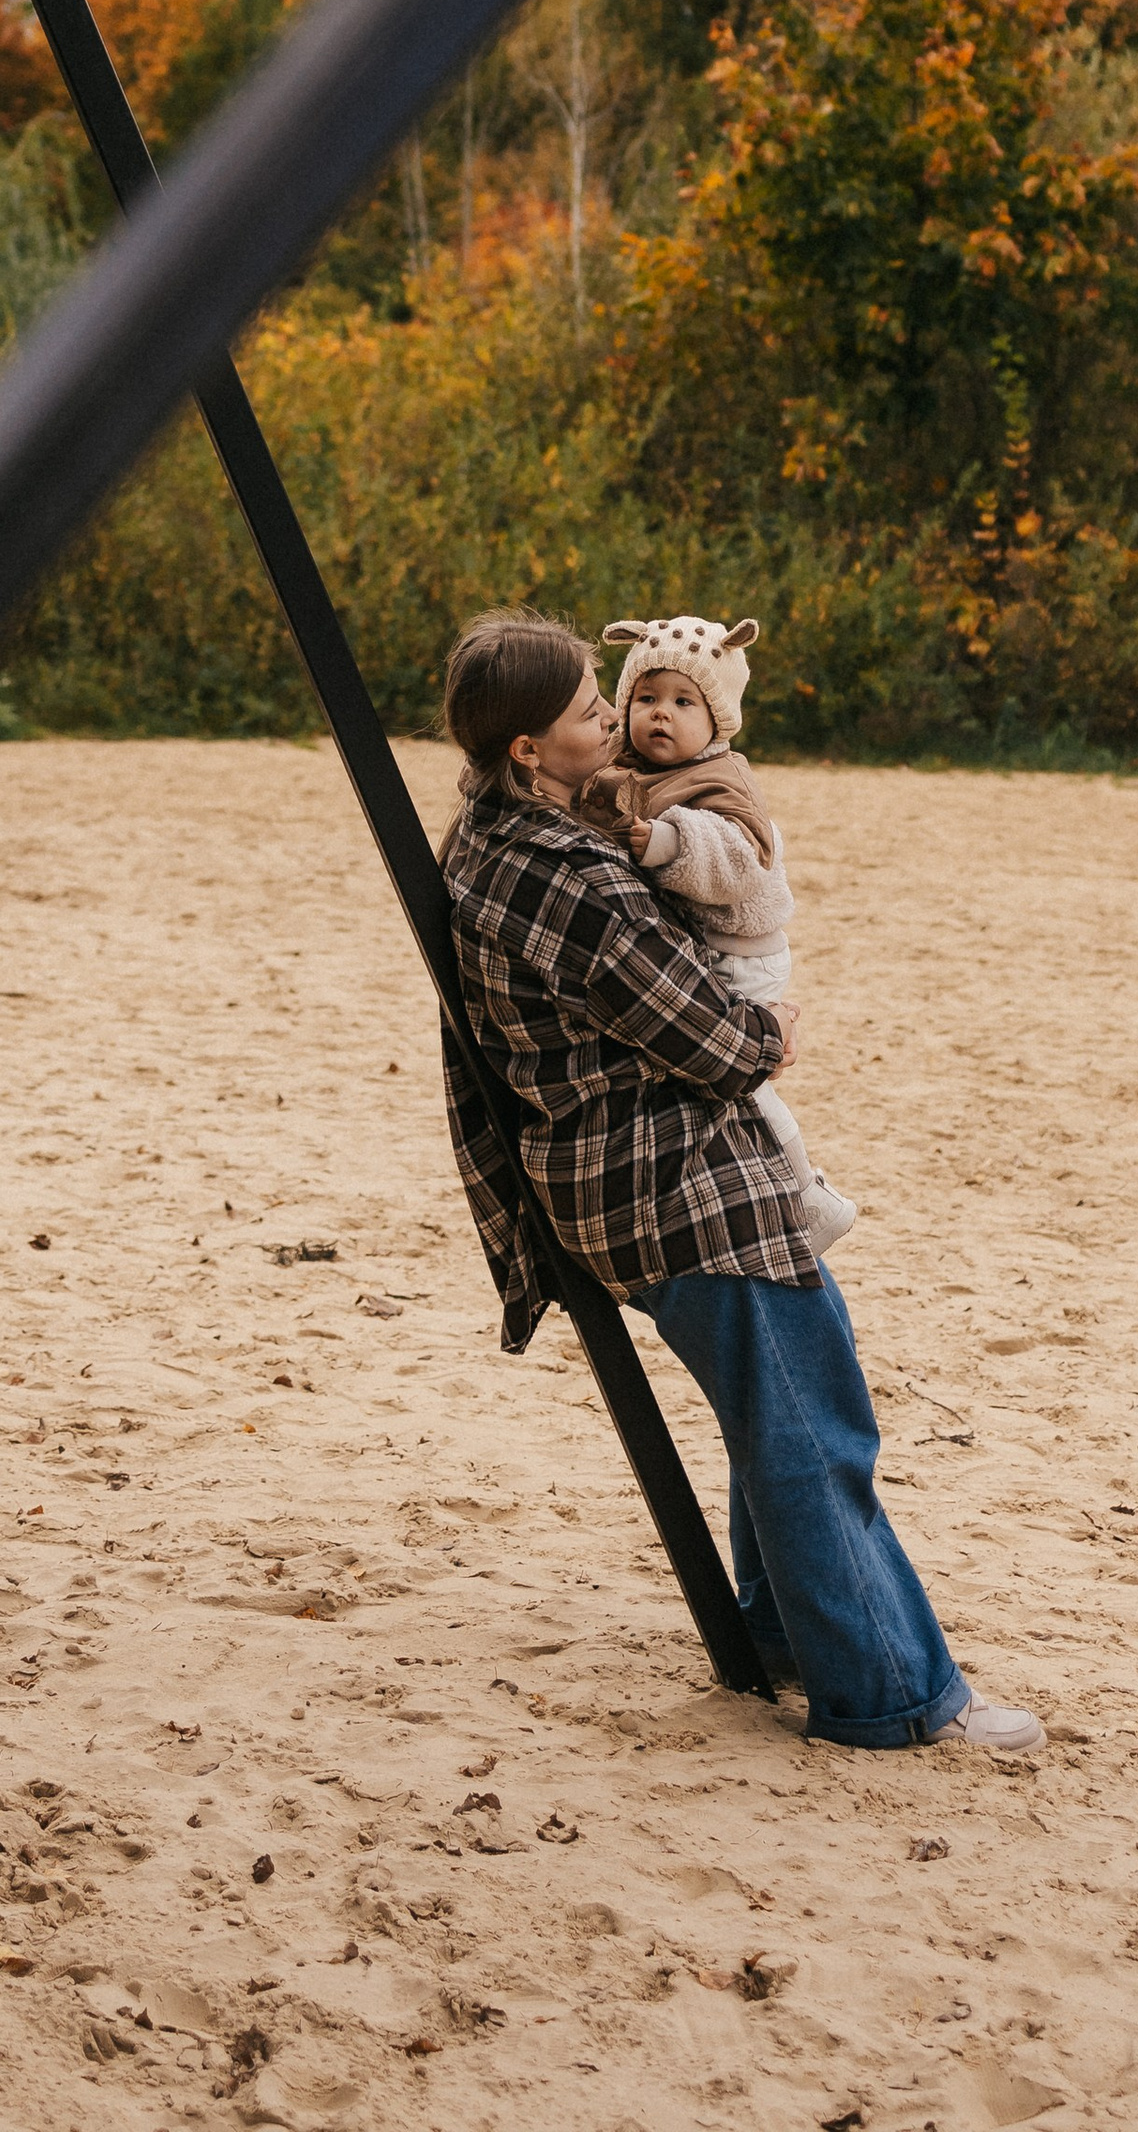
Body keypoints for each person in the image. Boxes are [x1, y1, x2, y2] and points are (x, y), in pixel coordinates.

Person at [435, 605, 1044, 1758]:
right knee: (814, 1429)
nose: (613, 717)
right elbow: (715, 1041)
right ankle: (894, 1698)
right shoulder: (575, 877)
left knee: (783, 1416)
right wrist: (768, 1028)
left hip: (602, 1175)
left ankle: (784, 1636)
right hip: (677, 1183)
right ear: (528, 746)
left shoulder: (483, 833)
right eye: (586, 709)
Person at [575, 608, 858, 1250]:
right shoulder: (628, 763)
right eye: (645, 697)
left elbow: (739, 858)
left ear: (717, 717)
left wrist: (664, 842)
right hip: (702, 947)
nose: (660, 714)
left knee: (737, 1084)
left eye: (682, 701)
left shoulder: (720, 778)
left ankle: (807, 1199)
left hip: (741, 955)